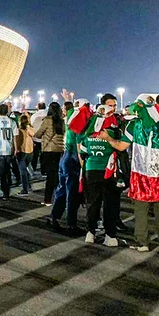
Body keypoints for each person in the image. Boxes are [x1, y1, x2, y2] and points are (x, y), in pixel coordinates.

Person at [100, 95, 159, 252]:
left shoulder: (134, 125)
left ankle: (142, 242)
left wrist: (108, 138)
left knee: (141, 210)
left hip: (141, 175)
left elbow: (121, 146)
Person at [79, 94, 121, 247]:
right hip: (108, 171)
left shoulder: (89, 133)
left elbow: (83, 151)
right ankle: (110, 236)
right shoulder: (113, 133)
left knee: (93, 203)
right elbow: (120, 149)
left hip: (91, 170)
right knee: (109, 204)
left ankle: (90, 232)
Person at [48, 99, 86, 235]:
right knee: (72, 194)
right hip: (73, 160)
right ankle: (71, 224)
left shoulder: (70, 118)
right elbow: (79, 146)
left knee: (62, 189)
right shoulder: (79, 123)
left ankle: (54, 216)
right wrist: (83, 165)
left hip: (64, 158)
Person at [34, 101, 65, 206]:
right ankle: (59, 198)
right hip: (59, 150)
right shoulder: (62, 121)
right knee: (57, 174)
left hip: (48, 150)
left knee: (50, 176)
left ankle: (48, 199)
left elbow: (38, 134)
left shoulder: (47, 120)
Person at [15, 113, 35, 196]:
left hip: (22, 152)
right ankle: (28, 186)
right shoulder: (30, 129)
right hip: (30, 151)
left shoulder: (19, 130)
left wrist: (16, 149)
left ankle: (25, 189)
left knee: (22, 171)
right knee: (25, 169)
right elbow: (34, 135)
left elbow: (18, 141)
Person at [30, 102, 47, 175]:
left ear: (38, 107)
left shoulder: (34, 115)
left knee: (35, 155)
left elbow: (31, 126)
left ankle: (33, 169)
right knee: (44, 156)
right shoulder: (48, 115)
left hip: (35, 138)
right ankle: (44, 170)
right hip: (45, 138)